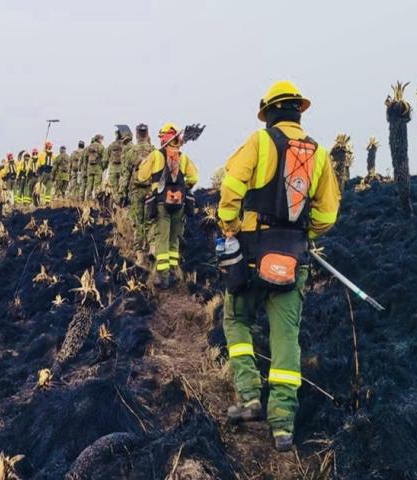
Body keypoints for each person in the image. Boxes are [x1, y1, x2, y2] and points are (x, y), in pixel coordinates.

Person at [217, 80, 341, 452]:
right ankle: (283, 425)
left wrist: (229, 225)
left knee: (236, 319)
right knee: (286, 338)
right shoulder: (319, 154)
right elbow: (328, 215)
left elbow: (231, 186)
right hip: (294, 258)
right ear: (298, 112)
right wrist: (303, 234)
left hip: (253, 254)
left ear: (269, 112)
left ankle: (250, 396)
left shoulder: (259, 142)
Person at [137, 123, 198, 287]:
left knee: (162, 239)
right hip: (180, 204)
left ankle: (163, 277)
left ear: (164, 139)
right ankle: (174, 273)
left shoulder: (156, 155)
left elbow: (141, 176)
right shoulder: (183, 158)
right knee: (174, 239)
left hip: (161, 203)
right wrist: (183, 187)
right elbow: (194, 178)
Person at [120, 124, 155, 265]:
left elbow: (125, 175)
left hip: (135, 191)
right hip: (151, 190)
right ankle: (152, 247)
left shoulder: (131, 152)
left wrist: (122, 193)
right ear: (147, 134)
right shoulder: (154, 151)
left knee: (138, 223)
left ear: (136, 135)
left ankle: (140, 256)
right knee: (150, 221)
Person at [106, 127, 131, 204]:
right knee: (123, 186)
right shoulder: (125, 145)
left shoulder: (112, 145)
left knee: (114, 188)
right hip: (122, 169)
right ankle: (123, 201)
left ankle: (115, 203)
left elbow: (107, 155)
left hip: (113, 169)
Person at [83, 134, 105, 201]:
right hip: (98, 168)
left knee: (89, 184)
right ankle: (96, 199)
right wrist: (103, 167)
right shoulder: (101, 147)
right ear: (99, 139)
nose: (102, 140)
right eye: (101, 139)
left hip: (90, 168)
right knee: (97, 185)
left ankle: (88, 199)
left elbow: (85, 158)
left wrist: (85, 167)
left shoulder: (89, 147)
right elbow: (104, 159)